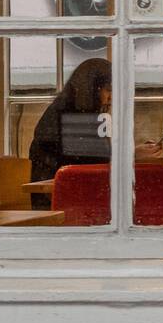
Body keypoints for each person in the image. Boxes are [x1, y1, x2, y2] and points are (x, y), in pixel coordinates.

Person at [28, 58, 112, 210]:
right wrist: (133, 154)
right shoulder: (72, 116)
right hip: (57, 203)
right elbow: (93, 161)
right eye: (108, 90)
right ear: (93, 89)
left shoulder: (67, 110)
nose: (111, 97)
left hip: (61, 197)